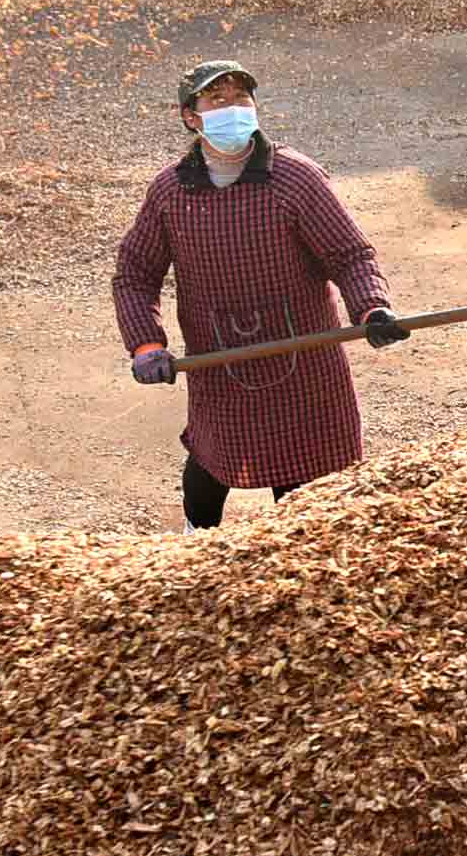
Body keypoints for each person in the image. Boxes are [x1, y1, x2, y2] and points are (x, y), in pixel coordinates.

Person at [114, 59, 409, 529]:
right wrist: (146, 344)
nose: (233, 108)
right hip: (219, 363)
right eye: (217, 100)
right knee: (208, 473)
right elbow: (135, 273)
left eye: (241, 98)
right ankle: (194, 553)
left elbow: (350, 255)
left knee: (305, 500)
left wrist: (372, 307)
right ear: (191, 117)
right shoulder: (171, 192)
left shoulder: (295, 179)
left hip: (305, 364)